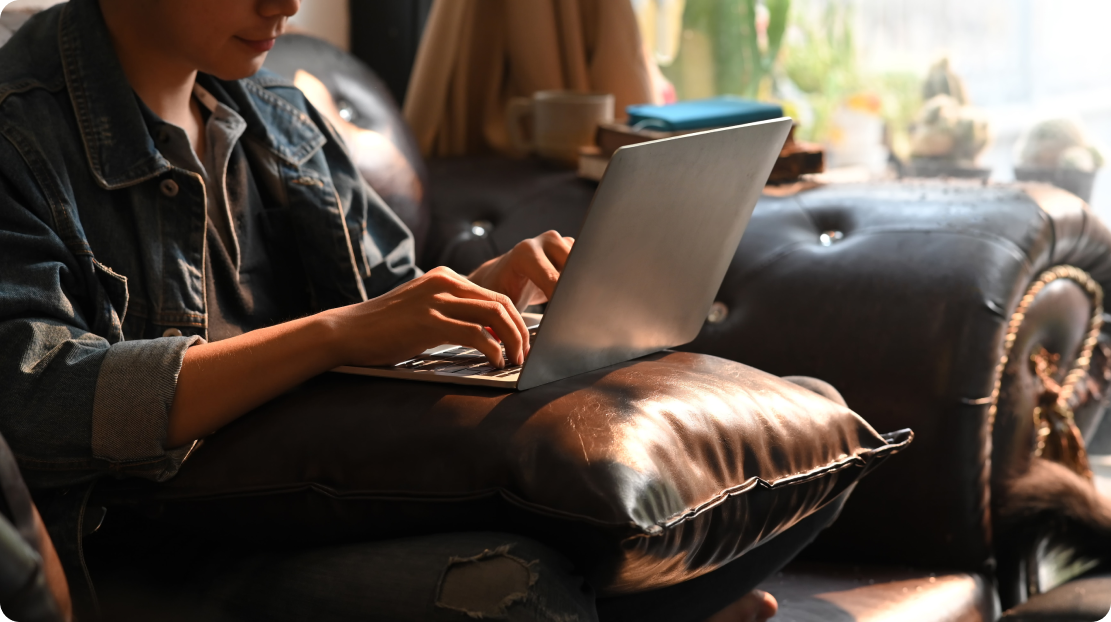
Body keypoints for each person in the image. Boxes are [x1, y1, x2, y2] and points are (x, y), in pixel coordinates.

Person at [0, 0, 820, 619]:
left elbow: (385, 303)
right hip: (159, 544)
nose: (287, 4)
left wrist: (482, 290)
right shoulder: (19, 132)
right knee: (519, 589)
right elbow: (40, 400)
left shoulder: (274, 111)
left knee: (806, 424)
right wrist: (333, 336)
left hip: (332, 490)